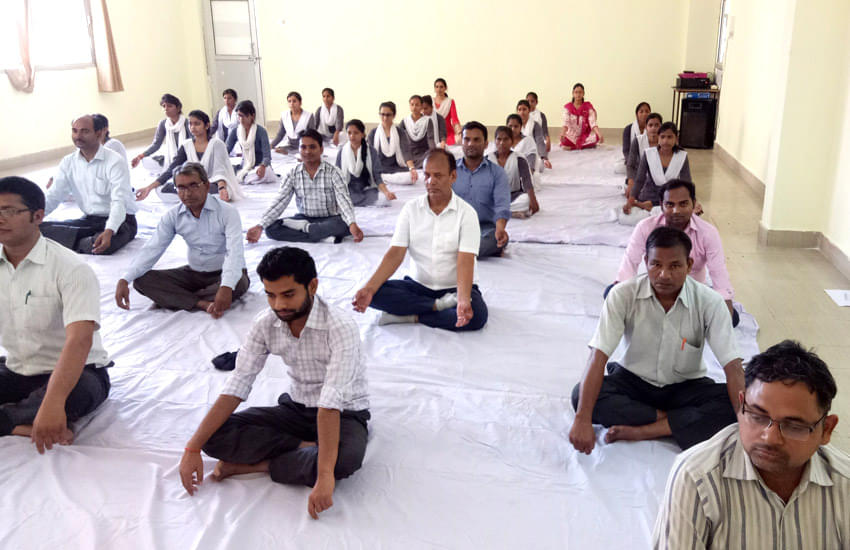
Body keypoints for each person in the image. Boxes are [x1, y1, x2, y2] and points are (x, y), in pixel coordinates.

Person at [178, 247, 371, 521]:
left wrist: (325, 475)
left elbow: (330, 402)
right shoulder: (266, 323)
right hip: (296, 409)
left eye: (288, 294)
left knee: (345, 461)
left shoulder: (340, 327)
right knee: (211, 434)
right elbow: (237, 383)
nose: (279, 304)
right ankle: (304, 448)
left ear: (312, 286)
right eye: (271, 295)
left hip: (344, 413)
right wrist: (192, 448)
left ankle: (261, 465)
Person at [653, 340, 849, 550]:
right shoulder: (696, 477)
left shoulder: (844, 484)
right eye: (757, 416)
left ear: (826, 429)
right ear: (741, 406)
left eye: (793, 426)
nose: (770, 438)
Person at [569, 226, 743, 453]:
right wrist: (582, 419)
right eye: (656, 265)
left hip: (686, 388)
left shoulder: (710, 302)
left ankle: (645, 429)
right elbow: (598, 356)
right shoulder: (622, 295)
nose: (664, 275)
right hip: (634, 382)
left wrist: (745, 421)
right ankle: (674, 423)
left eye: (675, 266)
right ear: (645, 262)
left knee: (741, 402)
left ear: (689, 265)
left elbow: (733, 367)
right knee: (579, 396)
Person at [0, 176, 111, 452]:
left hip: (76, 375)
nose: (0, 218)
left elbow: (80, 340)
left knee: (78, 394)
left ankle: (32, 414)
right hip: (18, 369)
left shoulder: (70, 269)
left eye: (10, 211)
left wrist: (52, 402)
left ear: (38, 216)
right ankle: (15, 424)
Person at [352, 149, 487, 331]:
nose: (431, 182)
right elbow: (395, 254)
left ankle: (414, 316)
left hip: (454, 290)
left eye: (438, 176)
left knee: (477, 316)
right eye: (428, 175)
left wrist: (463, 300)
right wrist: (369, 288)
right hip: (417, 286)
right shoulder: (411, 209)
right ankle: (436, 307)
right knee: (374, 295)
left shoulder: (467, 214)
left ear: (453, 176)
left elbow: (465, 260)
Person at [115, 163, 250, 317]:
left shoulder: (227, 212)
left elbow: (234, 253)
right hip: (193, 273)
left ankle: (179, 298)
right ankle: (202, 303)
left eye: (193, 186)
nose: (187, 193)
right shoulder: (173, 215)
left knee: (238, 283)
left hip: (224, 271)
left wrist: (226, 286)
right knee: (141, 280)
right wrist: (125, 279)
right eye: (181, 188)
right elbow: (153, 248)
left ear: (206, 186)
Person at [613, 179, 739, 326]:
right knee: (612, 295)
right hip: (656, 287)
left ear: (694, 204)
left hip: (691, 291)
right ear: (661, 205)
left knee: (731, 318)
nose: (676, 210)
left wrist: (724, 301)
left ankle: (667, 316)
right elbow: (630, 261)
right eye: (670, 204)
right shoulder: (645, 227)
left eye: (683, 204)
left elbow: (719, 271)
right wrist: (621, 291)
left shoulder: (708, 233)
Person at [246, 129, 364, 244]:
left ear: (321, 149)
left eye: (312, 147)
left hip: (330, 219)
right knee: (270, 229)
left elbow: (344, 201)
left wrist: (352, 223)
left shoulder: (334, 172)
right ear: (299, 149)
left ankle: (309, 231)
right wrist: (260, 226)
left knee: (343, 224)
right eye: (303, 147)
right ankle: (322, 237)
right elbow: (279, 202)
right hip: (303, 219)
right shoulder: (293, 174)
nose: (307, 151)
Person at [41, 115, 137, 255]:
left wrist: (109, 231)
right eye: (74, 131)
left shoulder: (114, 161)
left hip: (122, 222)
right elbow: (54, 195)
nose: (78, 136)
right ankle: (79, 242)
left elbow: (119, 201)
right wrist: (34, 217)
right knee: (35, 229)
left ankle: (71, 241)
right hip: (89, 222)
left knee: (102, 244)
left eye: (84, 131)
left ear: (98, 134)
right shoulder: (68, 162)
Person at [136, 110, 244, 202]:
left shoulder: (217, 144)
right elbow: (171, 169)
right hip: (193, 184)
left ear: (207, 126)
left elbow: (221, 171)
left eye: (197, 124)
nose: (193, 127)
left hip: (214, 184)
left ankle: (193, 195)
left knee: (209, 190)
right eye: (191, 124)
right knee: (161, 189)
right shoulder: (186, 145)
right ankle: (195, 196)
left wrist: (222, 188)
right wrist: (149, 188)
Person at [452, 122, 511, 258]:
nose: (471, 144)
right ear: (462, 142)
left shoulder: (497, 173)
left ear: (485, 144)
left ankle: (456, 252)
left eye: (476, 140)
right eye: (467, 139)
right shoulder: (450, 170)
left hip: (485, 229)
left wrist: (500, 228)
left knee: (496, 240)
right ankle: (464, 251)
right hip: (454, 227)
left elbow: (502, 205)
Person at [622, 122, 691, 225]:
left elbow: (687, 182)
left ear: (676, 139)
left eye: (669, 137)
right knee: (627, 219)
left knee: (681, 217)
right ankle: (648, 206)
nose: (665, 141)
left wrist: (692, 202)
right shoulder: (649, 153)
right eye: (662, 137)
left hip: (670, 196)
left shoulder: (682, 156)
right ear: (658, 138)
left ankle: (649, 206)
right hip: (650, 194)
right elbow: (640, 180)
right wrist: (630, 201)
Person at [335, 119, 396, 207]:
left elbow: (377, 176)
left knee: (383, 199)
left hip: (367, 188)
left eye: (356, 133)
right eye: (349, 133)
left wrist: (386, 192)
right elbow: (337, 176)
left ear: (362, 134)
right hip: (349, 188)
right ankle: (357, 201)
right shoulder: (342, 151)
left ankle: (352, 201)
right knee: (337, 197)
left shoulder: (371, 151)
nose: (352, 136)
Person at [487, 126, 539, 218]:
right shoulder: (487, 159)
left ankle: (495, 212)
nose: (502, 143)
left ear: (512, 141)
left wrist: (532, 199)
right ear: (495, 141)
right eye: (499, 139)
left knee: (526, 201)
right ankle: (510, 213)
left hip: (513, 196)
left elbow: (527, 181)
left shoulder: (519, 158)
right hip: (492, 197)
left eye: (506, 139)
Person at [131, 93, 190, 174]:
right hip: (171, 158)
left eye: (169, 106)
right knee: (146, 161)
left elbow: (193, 143)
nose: (166, 109)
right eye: (164, 106)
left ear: (178, 108)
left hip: (187, 157)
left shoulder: (187, 123)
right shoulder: (163, 123)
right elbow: (156, 144)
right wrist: (140, 156)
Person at [225, 100, 277, 185]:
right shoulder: (236, 131)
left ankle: (247, 178)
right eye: (239, 116)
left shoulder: (261, 131)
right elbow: (226, 149)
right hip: (244, 166)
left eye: (243, 116)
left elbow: (267, 156)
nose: (240, 119)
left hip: (260, 168)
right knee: (225, 171)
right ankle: (245, 177)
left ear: (252, 116)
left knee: (266, 173)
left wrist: (263, 166)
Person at [366, 101, 418, 185]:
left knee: (410, 178)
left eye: (388, 115)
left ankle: (383, 179)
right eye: (382, 114)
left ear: (394, 115)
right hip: (379, 168)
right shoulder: (373, 133)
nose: (385, 118)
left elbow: (406, 152)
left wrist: (412, 168)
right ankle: (382, 178)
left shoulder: (400, 132)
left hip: (396, 168)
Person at [625, 112, 662, 198]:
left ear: (661, 127)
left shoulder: (665, 141)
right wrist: (631, 183)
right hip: (641, 176)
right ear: (646, 127)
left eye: (657, 125)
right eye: (650, 125)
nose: (653, 128)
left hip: (661, 177)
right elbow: (630, 165)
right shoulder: (638, 140)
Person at [560, 83, 602, 150]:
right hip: (571, 136)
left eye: (580, 92)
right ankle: (582, 146)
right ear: (573, 93)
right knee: (564, 139)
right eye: (576, 92)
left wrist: (599, 134)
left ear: (583, 94)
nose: (578, 94)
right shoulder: (568, 107)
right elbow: (566, 122)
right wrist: (562, 133)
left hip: (584, 136)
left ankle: (573, 148)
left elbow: (592, 122)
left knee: (596, 137)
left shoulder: (588, 107)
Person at [397, 95, 435, 168]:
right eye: (412, 105)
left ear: (421, 106)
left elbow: (430, 139)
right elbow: (398, 137)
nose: (414, 107)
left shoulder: (427, 121)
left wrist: (434, 153)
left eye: (417, 105)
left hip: (423, 153)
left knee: (428, 159)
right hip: (409, 153)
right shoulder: (405, 121)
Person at [516, 100, 552, 170]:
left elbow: (540, 142)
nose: (522, 112)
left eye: (524, 109)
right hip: (517, 152)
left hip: (532, 152)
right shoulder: (514, 125)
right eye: (519, 109)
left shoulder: (535, 125)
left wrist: (544, 158)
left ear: (529, 110)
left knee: (540, 167)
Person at [622, 102, 651, 167]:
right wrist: (631, 161)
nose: (644, 114)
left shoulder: (653, 129)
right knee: (618, 168)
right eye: (641, 111)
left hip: (650, 159)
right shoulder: (628, 129)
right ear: (636, 114)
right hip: (633, 159)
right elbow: (626, 150)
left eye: (647, 111)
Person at [433, 78, 461, 146]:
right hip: (433, 133)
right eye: (437, 87)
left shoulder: (450, 102)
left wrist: (459, 133)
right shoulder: (430, 101)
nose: (439, 89)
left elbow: (454, 119)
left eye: (441, 87)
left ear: (445, 88)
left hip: (447, 133)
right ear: (434, 88)